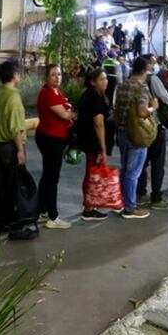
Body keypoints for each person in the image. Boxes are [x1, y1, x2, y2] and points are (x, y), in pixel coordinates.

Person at [0, 59, 28, 237]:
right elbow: (15, 128)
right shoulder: (13, 97)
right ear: (14, 75)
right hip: (11, 146)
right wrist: (20, 150)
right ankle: (11, 222)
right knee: (12, 185)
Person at [112, 56, 157, 219]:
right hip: (136, 134)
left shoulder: (122, 86)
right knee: (133, 173)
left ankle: (122, 202)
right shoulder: (141, 88)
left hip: (121, 132)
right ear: (145, 70)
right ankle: (130, 208)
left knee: (125, 169)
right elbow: (142, 111)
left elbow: (116, 108)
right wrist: (153, 108)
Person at [35, 64, 75, 229]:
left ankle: (42, 210)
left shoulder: (56, 91)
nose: (57, 77)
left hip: (54, 138)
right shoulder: (48, 94)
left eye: (58, 74)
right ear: (46, 77)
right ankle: (53, 216)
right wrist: (75, 114)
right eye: (53, 74)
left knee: (48, 176)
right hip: (51, 139)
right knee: (52, 178)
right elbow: (65, 114)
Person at [137, 55, 168, 210]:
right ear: (147, 65)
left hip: (139, 127)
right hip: (154, 126)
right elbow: (165, 97)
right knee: (157, 163)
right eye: (153, 63)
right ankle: (156, 198)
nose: (154, 66)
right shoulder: (152, 79)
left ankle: (140, 194)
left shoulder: (131, 81)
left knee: (142, 163)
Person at [76, 68, 112, 221]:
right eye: (101, 79)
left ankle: (90, 205)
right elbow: (99, 124)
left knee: (92, 172)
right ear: (93, 82)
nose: (105, 82)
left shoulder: (92, 95)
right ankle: (89, 208)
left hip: (88, 140)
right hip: (93, 141)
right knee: (93, 173)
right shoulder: (94, 98)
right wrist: (103, 148)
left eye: (106, 78)